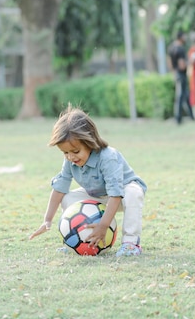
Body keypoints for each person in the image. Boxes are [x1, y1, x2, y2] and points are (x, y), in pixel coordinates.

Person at [29, 104, 147, 256]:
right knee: (68, 198)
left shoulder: (108, 157)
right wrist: (47, 220)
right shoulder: (71, 160)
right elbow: (59, 188)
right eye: (65, 153)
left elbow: (116, 194)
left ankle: (131, 243)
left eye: (75, 151)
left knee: (133, 192)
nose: (71, 157)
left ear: (90, 142)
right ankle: (76, 241)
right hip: (98, 195)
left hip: (121, 194)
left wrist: (103, 225)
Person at [168, 30, 194, 124]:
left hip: (176, 73)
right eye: (184, 36)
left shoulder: (171, 48)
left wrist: (174, 72)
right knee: (181, 96)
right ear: (181, 37)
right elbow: (182, 65)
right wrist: (190, 62)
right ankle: (178, 118)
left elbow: (170, 63)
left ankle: (191, 116)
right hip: (181, 74)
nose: (185, 38)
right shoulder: (180, 49)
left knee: (185, 96)